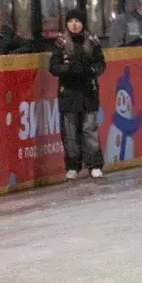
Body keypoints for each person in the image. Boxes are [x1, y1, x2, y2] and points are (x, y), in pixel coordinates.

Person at [50, 9, 106, 180]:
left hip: (88, 91)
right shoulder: (61, 42)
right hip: (68, 92)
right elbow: (53, 67)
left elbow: (101, 63)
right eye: (71, 21)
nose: (74, 24)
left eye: (77, 21)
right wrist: (66, 69)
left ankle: (94, 164)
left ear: (83, 24)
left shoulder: (92, 41)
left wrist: (90, 70)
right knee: (70, 131)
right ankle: (72, 166)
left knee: (89, 129)